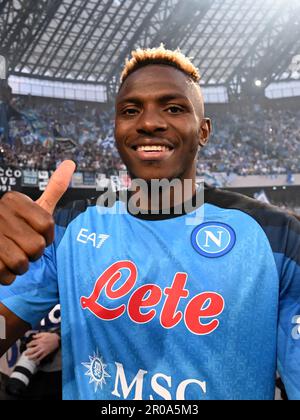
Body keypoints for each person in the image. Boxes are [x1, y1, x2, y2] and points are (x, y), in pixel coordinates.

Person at [0, 45, 299, 400]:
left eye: (173, 108)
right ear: (116, 129)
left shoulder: (277, 236)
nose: (149, 122)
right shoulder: (65, 228)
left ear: (203, 131)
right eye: (131, 110)